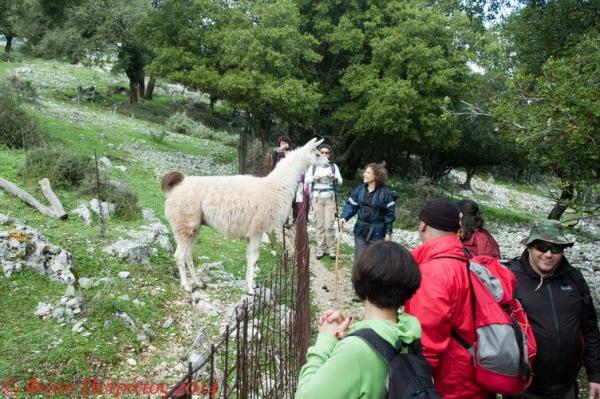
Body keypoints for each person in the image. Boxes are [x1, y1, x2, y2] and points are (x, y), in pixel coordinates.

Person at [295, 240, 422, 398]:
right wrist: (356, 335)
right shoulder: (408, 332)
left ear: (361, 283)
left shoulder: (356, 351)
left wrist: (325, 340)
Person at [505, 219, 600, 399]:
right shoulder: (510, 277)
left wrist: (595, 375)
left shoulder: (575, 279)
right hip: (523, 387)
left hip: (566, 387)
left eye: (556, 248)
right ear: (530, 246)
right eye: (541, 247)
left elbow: (589, 329)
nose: (548, 254)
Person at [404, 198, 488, 399]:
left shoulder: (432, 273)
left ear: (423, 224)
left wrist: (415, 386)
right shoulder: (463, 258)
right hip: (473, 373)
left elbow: (426, 346)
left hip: (449, 384)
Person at [339, 162, 396, 264]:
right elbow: (351, 205)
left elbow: (389, 215)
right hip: (360, 230)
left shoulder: (385, 194)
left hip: (378, 234)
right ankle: (358, 279)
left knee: (373, 262)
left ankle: (371, 280)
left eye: (368, 172)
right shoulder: (359, 189)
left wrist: (388, 233)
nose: (364, 174)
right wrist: (344, 217)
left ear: (376, 176)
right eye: (365, 172)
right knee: (359, 260)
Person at [304, 144, 343, 259]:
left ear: (330, 154)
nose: (325, 154)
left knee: (329, 224)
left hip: (330, 198)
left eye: (327, 152)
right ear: (319, 153)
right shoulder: (314, 166)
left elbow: (340, 181)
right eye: (323, 152)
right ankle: (321, 248)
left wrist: (335, 178)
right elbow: (306, 180)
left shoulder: (333, 166)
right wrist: (314, 178)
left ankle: (331, 249)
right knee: (319, 224)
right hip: (317, 198)